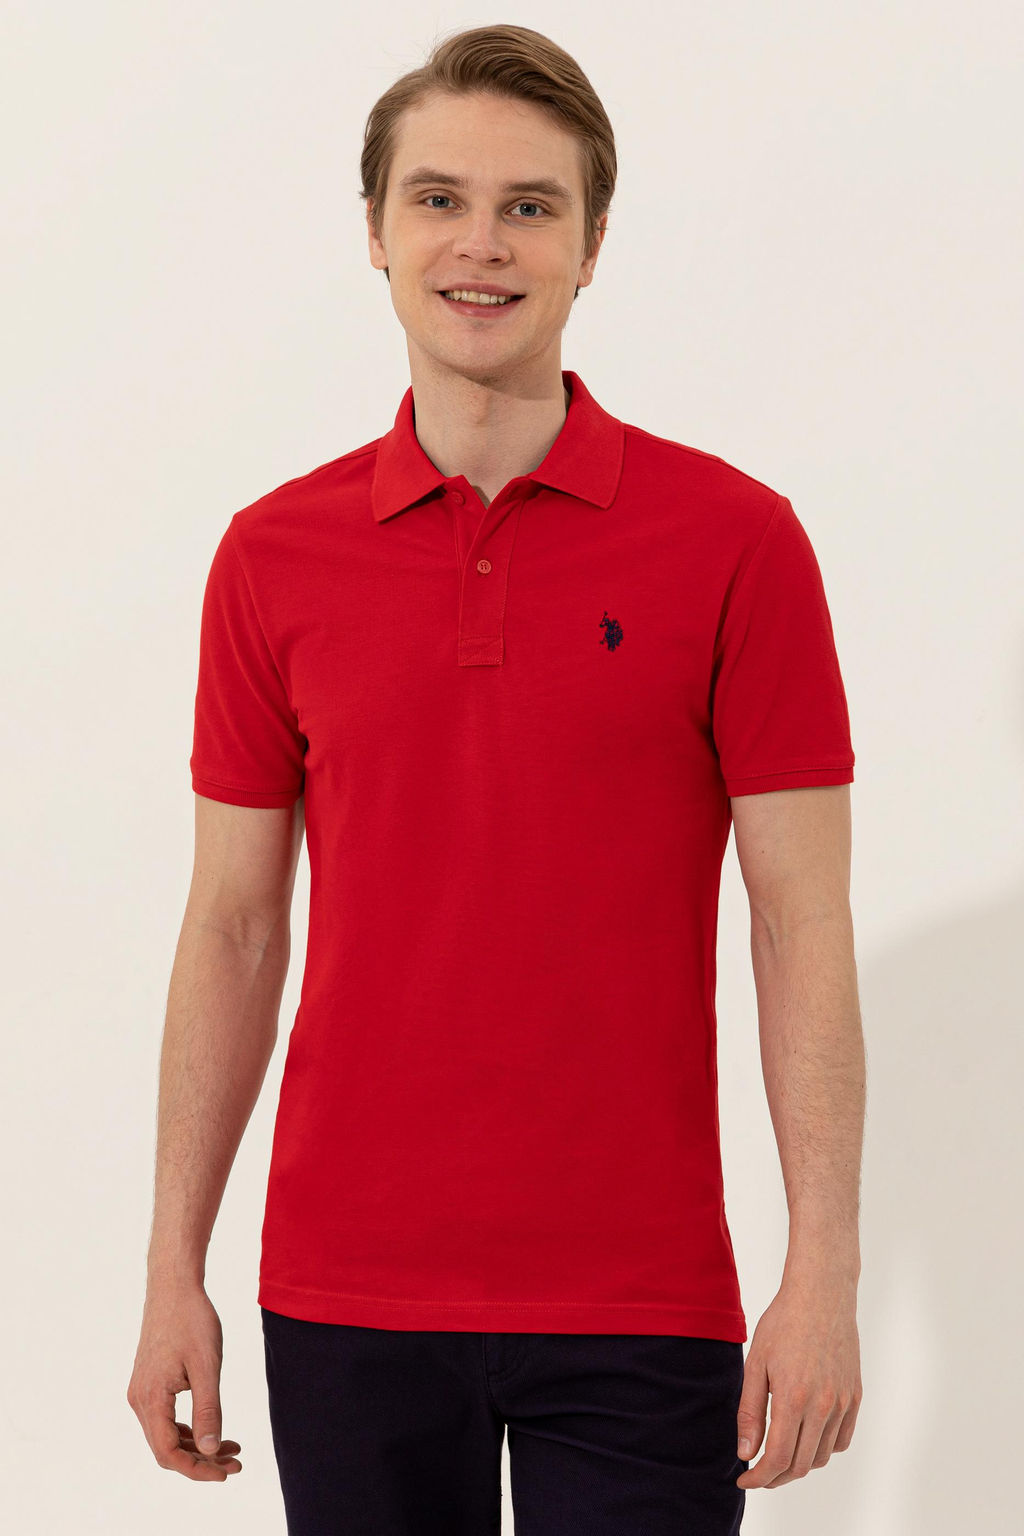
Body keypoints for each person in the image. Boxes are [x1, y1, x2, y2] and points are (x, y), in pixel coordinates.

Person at [127, 22, 864, 1534]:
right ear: (377, 233)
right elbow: (233, 929)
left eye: (531, 205)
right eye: (439, 199)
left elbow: (800, 923)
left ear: (592, 245)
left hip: (643, 1295)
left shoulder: (737, 543)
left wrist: (826, 1271)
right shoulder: (271, 558)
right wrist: (169, 1269)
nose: (483, 243)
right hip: (346, 1293)